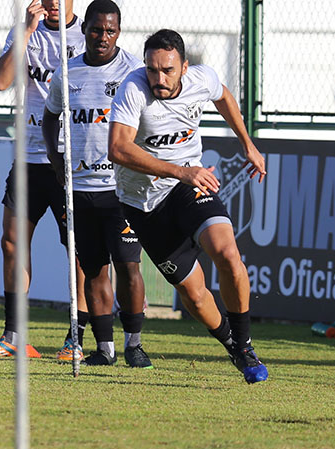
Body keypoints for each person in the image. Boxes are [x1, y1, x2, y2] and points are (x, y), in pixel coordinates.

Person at [107, 29, 269, 383]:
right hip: (143, 204)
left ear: (184, 67)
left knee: (227, 254)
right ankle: (232, 344)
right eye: (152, 69)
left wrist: (247, 143)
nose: (158, 79)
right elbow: (118, 149)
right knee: (195, 297)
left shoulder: (202, 78)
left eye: (167, 70)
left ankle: (245, 344)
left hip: (189, 189)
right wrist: (181, 171)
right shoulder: (133, 90)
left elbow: (224, 97)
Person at [0, 0, 87, 359]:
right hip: (30, 158)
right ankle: (14, 334)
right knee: (12, 242)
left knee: (81, 252)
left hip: (71, 161)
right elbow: (1, 81)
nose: (51, 2)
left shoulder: (87, 36)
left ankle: (77, 338)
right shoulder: (25, 32)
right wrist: (26, 32)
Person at [42, 0, 152, 368]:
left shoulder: (134, 71)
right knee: (93, 269)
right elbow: (50, 118)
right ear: (84, 27)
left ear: (119, 32)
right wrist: (57, 161)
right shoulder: (68, 72)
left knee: (128, 265)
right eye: (96, 29)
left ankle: (134, 344)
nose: (102, 37)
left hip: (120, 190)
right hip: (80, 189)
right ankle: (104, 349)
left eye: (110, 31)